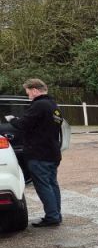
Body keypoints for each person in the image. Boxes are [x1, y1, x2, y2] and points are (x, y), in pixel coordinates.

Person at [5, 78, 63, 227]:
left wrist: (12, 119)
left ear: (35, 90)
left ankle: (52, 217)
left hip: (39, 154)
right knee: (52, 184)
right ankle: (56, 214)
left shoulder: (39, 105)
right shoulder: (53, 106)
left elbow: (23, 124)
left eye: (28, 92)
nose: (28, 96)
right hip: (52, 152)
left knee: (44, 186)